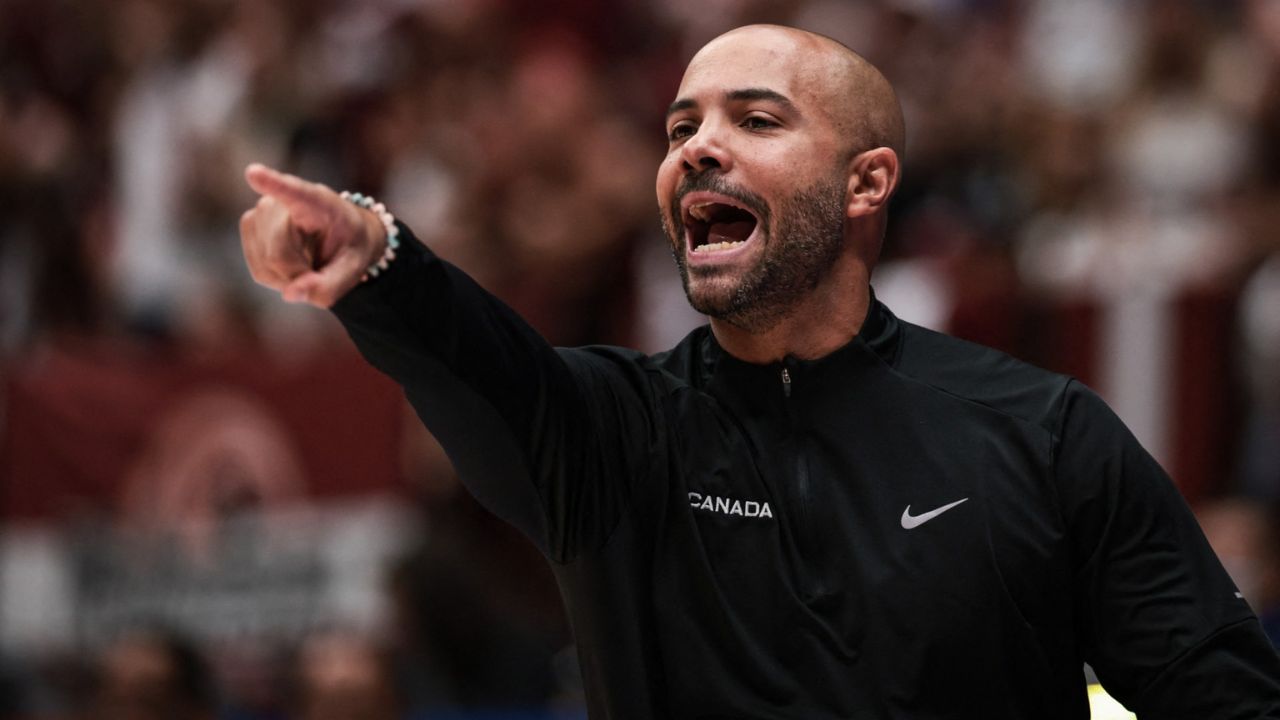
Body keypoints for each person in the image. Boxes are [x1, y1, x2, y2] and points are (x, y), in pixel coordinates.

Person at [238, 24, 1280, 719]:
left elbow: (1219, 694)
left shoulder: (1040, 432)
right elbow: (469, 353)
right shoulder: (613, 433)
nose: (695, 146)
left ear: (865, 183)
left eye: (755, 119)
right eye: (680, 125)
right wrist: (374, 256)